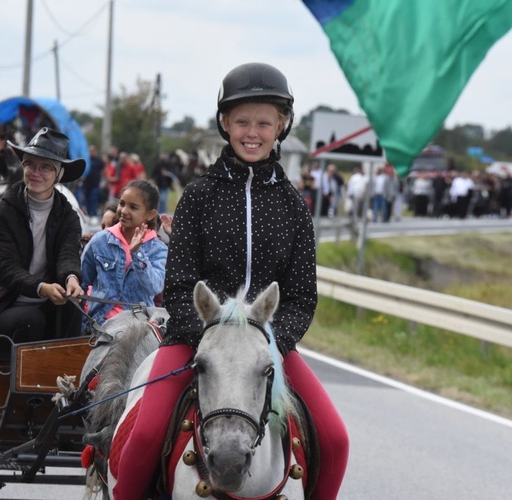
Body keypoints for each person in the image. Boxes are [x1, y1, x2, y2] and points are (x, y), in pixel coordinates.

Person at [113, 62, 349, 499]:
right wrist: (210, 334)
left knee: (336, 441)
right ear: (225, 123)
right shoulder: (198, 196)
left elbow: (301, 296)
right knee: (144, 437)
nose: (252, 132)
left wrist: (268, 339)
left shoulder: (294, 206)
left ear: (282, 125)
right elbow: (180, 285)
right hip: (194, 339)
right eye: (242, 121)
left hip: (267, 344)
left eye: (264, 122)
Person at [0, 127, 86, 344]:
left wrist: (71, 279)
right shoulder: (2, 211)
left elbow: (68, 254)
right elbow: (7, 268)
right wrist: (42, 288)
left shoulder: (68, 216)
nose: (36, 172)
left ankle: (67, 375)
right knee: (31, 320)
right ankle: (20, 378)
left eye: (45, 167)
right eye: (30, 164)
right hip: (2, 305)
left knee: (74, 305)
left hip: (47, 302)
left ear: (58, 175)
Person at [80, 179, 167, 328]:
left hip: (138, 327)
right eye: (122, 204)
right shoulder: (100, 240)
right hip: (99, 324)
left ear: (150, 214)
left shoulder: (159, 249)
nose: (124, 211)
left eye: (133, 207)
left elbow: (154, 287)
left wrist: (137, 253)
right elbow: (82, 280)